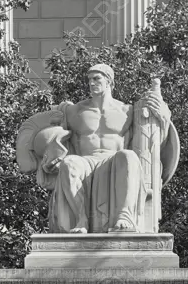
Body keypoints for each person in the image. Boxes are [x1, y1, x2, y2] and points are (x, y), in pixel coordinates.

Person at [16, 63, 178, 234]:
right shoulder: (74, 111)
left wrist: (163, 116)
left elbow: (155, 140)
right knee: (69, 164)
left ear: (109, 81)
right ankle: (81, 219)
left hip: (114, 161)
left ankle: (125, 215)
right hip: (85, 161)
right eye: (89, 80)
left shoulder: (127, 111)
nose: (92, 83)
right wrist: (47, 154)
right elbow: (43, 126)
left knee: (128, 156)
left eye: (96, 78)